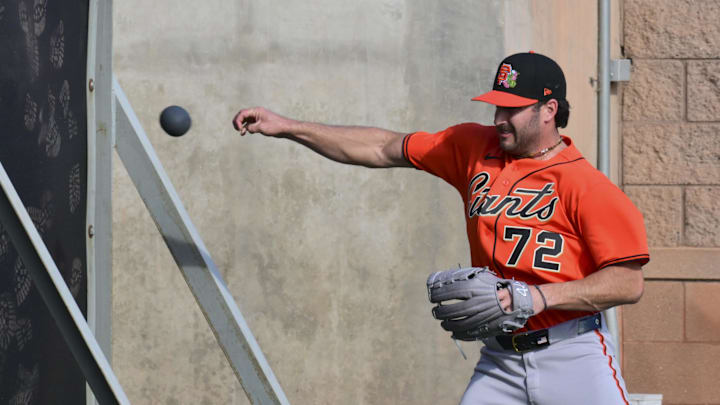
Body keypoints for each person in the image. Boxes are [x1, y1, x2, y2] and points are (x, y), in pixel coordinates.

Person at [232, 52, 648, 405]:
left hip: (571, 353)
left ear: (549, 109)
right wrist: (287, 126)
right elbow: (381, 148)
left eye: (513, 109)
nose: (500, 118)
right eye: (497, 106)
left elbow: (627, 284)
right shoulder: (472, 146)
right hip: (500, 359)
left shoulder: (586, 186)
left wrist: (538, 296)